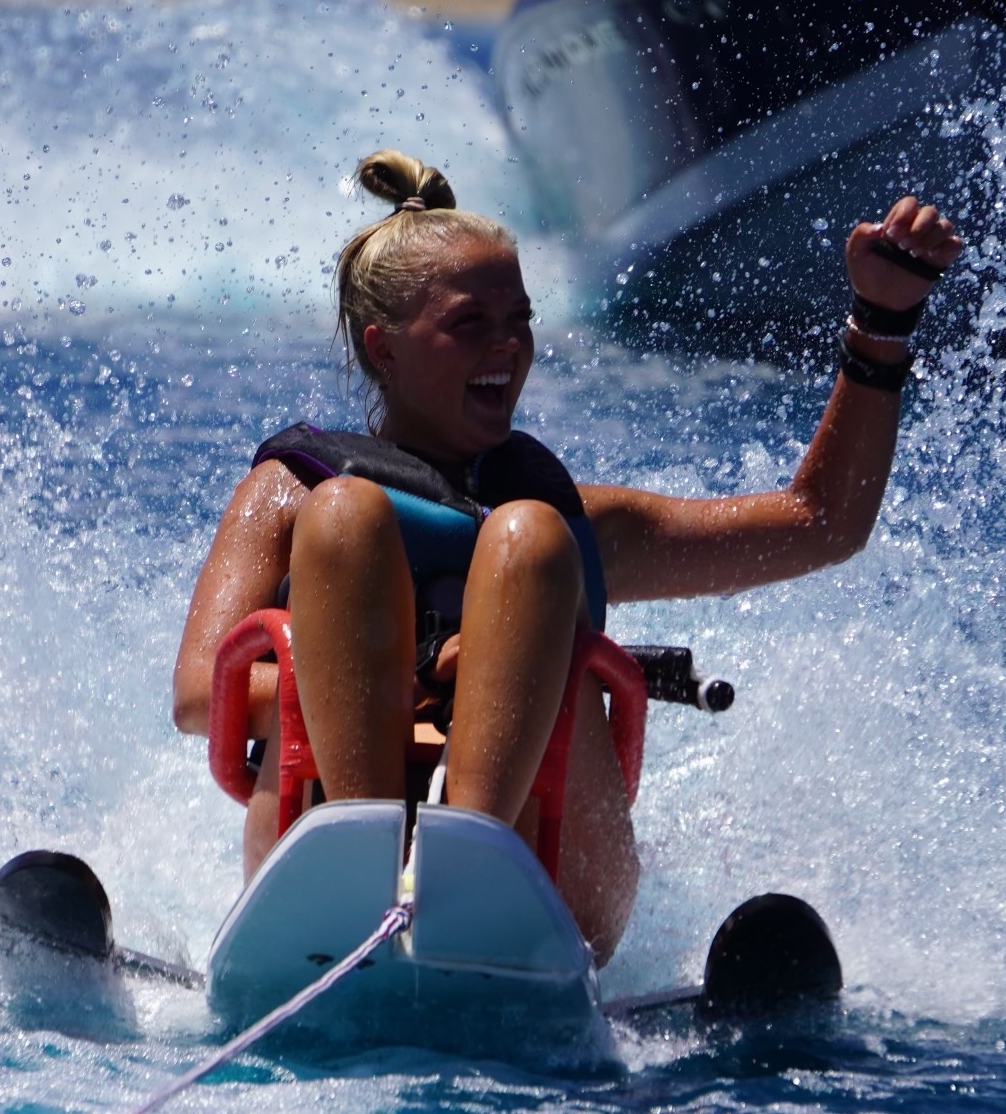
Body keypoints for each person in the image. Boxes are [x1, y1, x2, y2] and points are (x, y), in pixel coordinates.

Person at [170, 152, 964, 966]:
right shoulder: (295, 492)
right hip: (331, 844)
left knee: (531, 537)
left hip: (546, 879)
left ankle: (475, 871)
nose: (508, 347)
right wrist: (399, 673)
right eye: (469, 324)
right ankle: (358, 867)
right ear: (385, 349)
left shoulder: (575, 523)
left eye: (521, 321)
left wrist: (882, 323)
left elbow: (819, 523)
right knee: (344, 518)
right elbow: (203, 697)